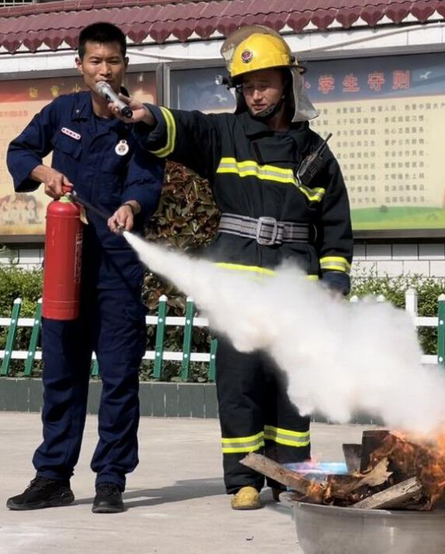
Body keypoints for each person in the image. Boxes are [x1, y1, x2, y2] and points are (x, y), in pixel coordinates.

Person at [114, 25, 353, 511]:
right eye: (246, 85)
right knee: (239, 384)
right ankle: (243, 479)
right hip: (239, 290)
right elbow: (183, 128)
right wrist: (148, 116)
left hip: (296, 290)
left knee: (293, 388)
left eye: (264, 82)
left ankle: (288, 476)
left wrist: (334, 282)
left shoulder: (316, 154)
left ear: (287, 83)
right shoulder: (224, 134)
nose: (256, 93)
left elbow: (335, 226)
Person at [5, 22, 164, 514]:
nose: (103, 69)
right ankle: (53, 476)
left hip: (117, 268)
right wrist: (44, 171)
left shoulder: (136, 122)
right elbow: (20, 150)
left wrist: (131, 208)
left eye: (112, 61)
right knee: (61, 374)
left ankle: (110, 480)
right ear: (80, 66)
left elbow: (147, 180)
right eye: (94, 61)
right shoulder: (62, 112)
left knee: (118, 378)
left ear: (125, 66)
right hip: (66, 263)